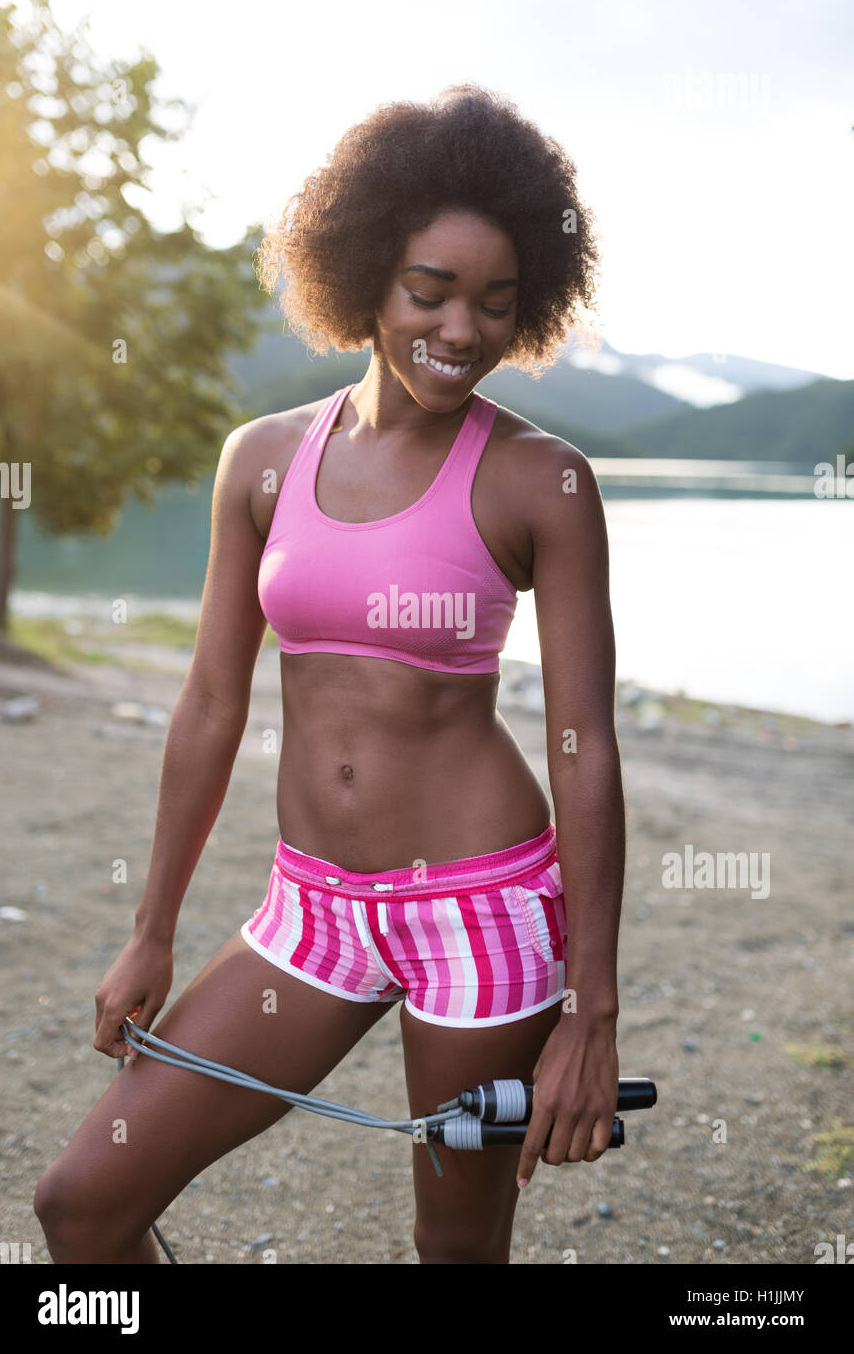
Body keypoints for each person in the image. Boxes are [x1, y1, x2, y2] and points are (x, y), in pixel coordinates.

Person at [34, 82, 624, 1265]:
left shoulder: (537, 480)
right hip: (311, 912)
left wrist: (589, 1011)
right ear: (360, 276)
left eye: (495, 305)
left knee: (453, 1251)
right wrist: (151, 930)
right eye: (429, 291)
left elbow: (584, 746)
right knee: (82, 1206)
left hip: (482, 913)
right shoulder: (258, 460)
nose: (460, 330)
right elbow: (210, 701)